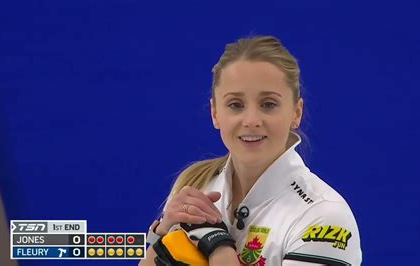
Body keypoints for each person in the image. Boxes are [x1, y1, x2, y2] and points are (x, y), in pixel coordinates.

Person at [139, 35, 362, 266]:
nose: (252, 120)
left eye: (268, 104)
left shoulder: (324, 217)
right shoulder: (195, 186)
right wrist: (162, 234)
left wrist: (218, 246)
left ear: (296, 113)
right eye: (236, 105)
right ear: (215, 113)